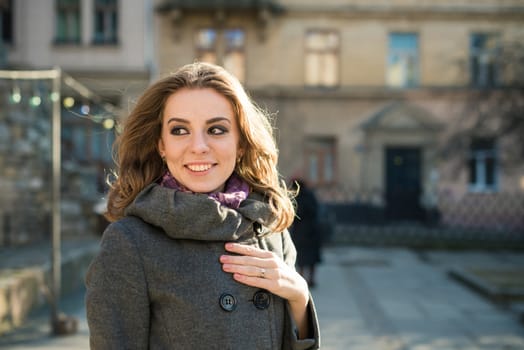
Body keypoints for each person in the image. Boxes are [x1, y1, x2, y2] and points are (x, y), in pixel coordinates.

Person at [85, 62, 320, 349]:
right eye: (180, 130)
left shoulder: (269, 228)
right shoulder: (130, 243)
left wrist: (299, 297)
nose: (198, 146)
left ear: (241, 143)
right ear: (162, 145)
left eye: (217, 129)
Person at [289, 178, 322, 288]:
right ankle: (311, 279)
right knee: (311, 258)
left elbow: (296, 214)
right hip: (313, 231)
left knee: (302, 258)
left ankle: (301, 279)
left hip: (302, 233)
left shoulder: (298, 198)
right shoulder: (311, 196)